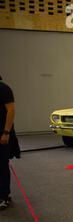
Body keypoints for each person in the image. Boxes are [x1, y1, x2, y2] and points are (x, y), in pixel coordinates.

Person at [0, 75, 20, 210]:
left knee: (1, 165)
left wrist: (6, 132)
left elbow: (11, 111)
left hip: (2, 135)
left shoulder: (3, 89)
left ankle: (4, 196)